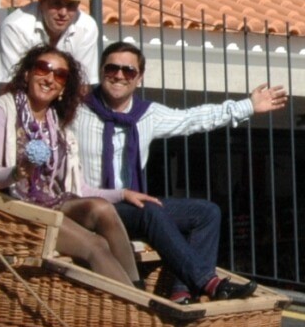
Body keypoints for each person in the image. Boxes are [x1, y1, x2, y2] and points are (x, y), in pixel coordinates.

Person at [72, 42, 288, 303]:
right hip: (92, 207)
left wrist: (248, 106)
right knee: (150, 210)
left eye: (128, 71)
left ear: (138, 78)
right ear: (101, 71)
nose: (119, 76)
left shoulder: (147, 115)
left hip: (130, 209)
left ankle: (181, 292)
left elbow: (193, 119)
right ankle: (208, 282)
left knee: (207, 213)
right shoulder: (76, 110)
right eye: (112, 69)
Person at [0, 46, 156, 288]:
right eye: (43, 68)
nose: (50, 78)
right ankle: (136, 307)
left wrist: (122, 194)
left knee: (102, 209)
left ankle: (138, 290)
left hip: (51, 203)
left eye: (60, 75)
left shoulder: (56, 123)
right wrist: (17, 172)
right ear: (27, 74)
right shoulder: (2, 110)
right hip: (13, 210)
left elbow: (77, 187)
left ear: (63, 88)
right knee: (95, 245)